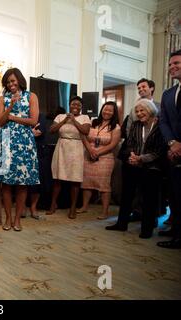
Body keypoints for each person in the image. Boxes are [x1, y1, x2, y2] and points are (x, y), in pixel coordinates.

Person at [106, 99, 165, 238]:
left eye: (142, 110)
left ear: (150, 110)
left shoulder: (161, 126)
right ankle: (121, 224)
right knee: (127, 194)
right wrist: (133, 156)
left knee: (149, 198)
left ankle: (147, 229)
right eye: (137, 111)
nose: (139, 114)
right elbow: (130, 142)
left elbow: (159, 150)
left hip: (152, 166)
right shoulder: (136, 125)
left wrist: (141, 159)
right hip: (133, 163)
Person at [0, 68, 40, 230]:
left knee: (22, 183)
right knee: (6, 183)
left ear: (19, 80)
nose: (10, 84)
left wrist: (12, 117)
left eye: (13, 80)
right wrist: (10, 106)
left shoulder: (31, 96)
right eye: (7, 82)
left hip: (25, 143)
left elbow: (33, 121)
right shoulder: (2, 99)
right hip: (6, 142)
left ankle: (18, 219)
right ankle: (8, 219)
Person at [47, 96, 91, 219]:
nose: (75, 107)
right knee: (57, 178)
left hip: (76, 148)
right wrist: (65, 120)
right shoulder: (60, 116)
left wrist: (74, 120)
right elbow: (51, 130)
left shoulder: (85, 118)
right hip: (61, 147)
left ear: (81, 107)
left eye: (78, 105)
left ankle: (73, 207)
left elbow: (86, 131)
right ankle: (53, 204)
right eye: (73, 104)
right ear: (69, 105)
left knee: (75, 179)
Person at [77, 101, 121, 219]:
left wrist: (98, 152)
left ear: (114, 113)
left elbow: (113, 144)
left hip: (105, 158)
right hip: (89, 155)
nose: (106, 112)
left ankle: (105, 211)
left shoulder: (115, 127)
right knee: (87, 182)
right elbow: (83, 136)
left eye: (110, 110)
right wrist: (90, 150)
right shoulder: (93, 122)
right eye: (105, 109)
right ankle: (84, 206)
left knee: (103, 185)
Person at [157, 49, 181, 249]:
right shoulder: (168, 94)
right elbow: (163, 122)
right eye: (170, 64)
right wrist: (172, 143)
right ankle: (176, 231)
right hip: (173, 152)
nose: (172, 67)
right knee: (174, 193)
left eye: (177, 63)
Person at [24, 112, 47, 219]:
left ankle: (33, 207)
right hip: (22, 151)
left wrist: (24, 133)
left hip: (37, 150)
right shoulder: (18, 115)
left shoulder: (40, 115)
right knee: (22, 180)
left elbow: (38, 132)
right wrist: (30, 132)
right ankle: (23, 206)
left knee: (37, 181)